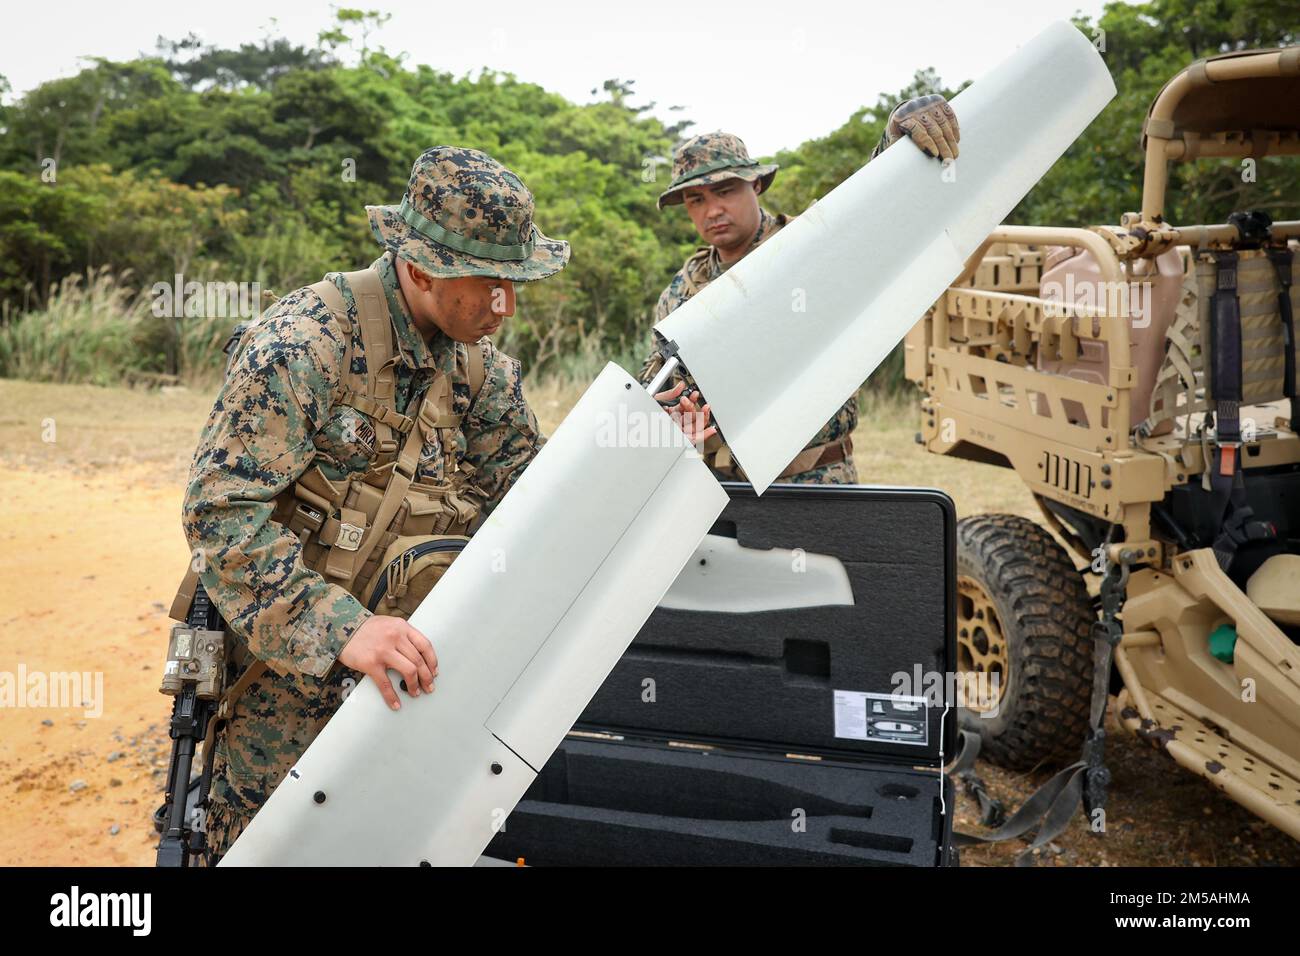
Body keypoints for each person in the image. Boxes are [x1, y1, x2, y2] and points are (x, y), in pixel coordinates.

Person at [180, 145, 713, 863]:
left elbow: (531, 503)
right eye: (489, 282)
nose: (506, 305)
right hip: (290, 692)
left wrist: (642, 453)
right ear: (421, 267)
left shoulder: (481, 369)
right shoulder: (303, 346)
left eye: (514, 283)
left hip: (425, 680)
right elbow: (219, 513)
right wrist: (340, 628)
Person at [637, 94, 961, 483]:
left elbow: (870, 220)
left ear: (755, 184)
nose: (712, 210)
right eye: (696, 199)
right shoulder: (681, 292)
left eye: (725, 191)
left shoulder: (807, 250)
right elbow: (655, 387)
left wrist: (896, 138)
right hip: (717, 492)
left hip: (812, 484)